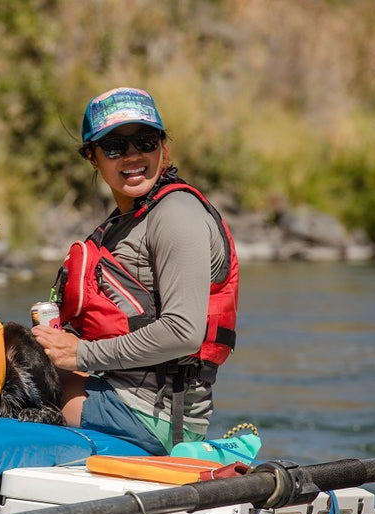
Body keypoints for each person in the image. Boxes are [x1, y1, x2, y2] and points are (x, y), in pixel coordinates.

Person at [32, 87, 239, 455]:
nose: (132, 156)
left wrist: (80, 355)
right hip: (124, 395)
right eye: (114, 147)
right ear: (92, 158)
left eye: (144, 141)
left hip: (152, 418)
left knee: (9, 377)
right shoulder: (127, 220)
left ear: (163, 147)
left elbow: (183, 333)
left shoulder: (177, 216)